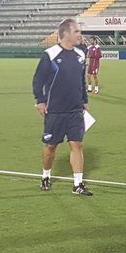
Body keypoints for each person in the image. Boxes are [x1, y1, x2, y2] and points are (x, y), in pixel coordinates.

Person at [32, 18, 91, 195]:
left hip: (75, 110)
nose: (80, 35)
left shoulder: (80, 54)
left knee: (77, 145)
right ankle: (45, 176)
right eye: (76, 31)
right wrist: (40, 101)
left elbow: (80, 81)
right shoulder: (50, 55)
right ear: (65, 34)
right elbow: (38, 80)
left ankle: (78, 184)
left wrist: (84, 101)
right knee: (51, 146)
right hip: (55, 111)